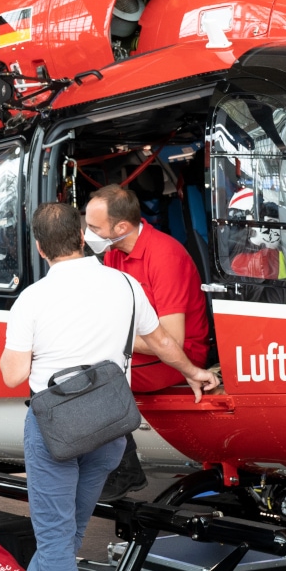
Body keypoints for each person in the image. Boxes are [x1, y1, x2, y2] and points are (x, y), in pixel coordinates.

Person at [0, 203, 216, 571]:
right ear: (85, 238)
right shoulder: (125, 285)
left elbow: (13, 374)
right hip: (109, 427)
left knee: (54, 542)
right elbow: (163, 340)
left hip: (54, 431)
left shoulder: (32, 298)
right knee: (66, 536)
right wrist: (194, 373)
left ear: (41, 247)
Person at [85, 184, 211, 499]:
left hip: (178, 356)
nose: (88, 234)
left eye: (94, 228)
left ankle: (124, 468)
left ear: (121, 227)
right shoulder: (114, 253)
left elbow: (172, 341)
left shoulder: (163, 255)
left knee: (91, 374)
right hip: (142, 348)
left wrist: (110, 334)